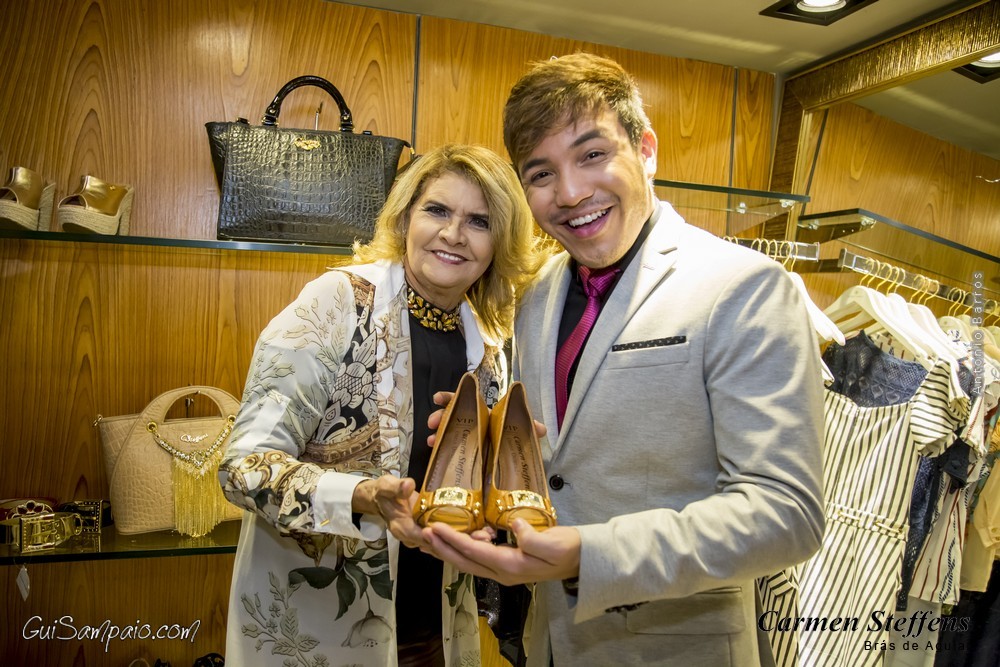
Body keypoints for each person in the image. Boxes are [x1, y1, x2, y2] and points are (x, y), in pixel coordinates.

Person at [421, 53, 827, 666]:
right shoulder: (536, 295)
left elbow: (786, 512)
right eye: (541, 173)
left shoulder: (744, 286)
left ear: (646, 149)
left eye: (592, 154)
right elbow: (560, 463)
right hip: (547, 642)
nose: (571, 193)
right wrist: (488, 450)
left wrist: (592, 555)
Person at [219, 143, 545, 667]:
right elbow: (243, 469)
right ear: (405, 217)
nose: (453, 234)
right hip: (322, 630)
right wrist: (361, 495)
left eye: (479, 221)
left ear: (499, 243)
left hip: (439, 632)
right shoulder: (336, 305)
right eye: (437, 210)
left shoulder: (487, 349)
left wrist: (507, 474)